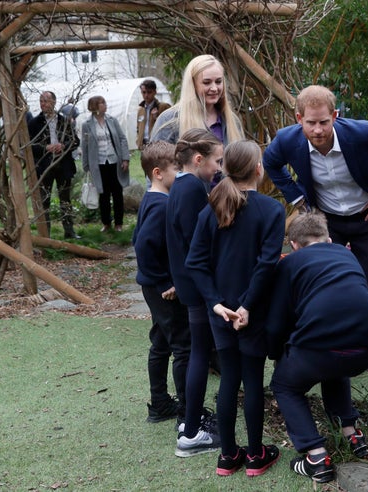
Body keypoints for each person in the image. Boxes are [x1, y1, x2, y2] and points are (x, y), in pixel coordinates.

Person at [263, 84, 368, 374]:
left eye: (323, 122)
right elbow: (271, 163)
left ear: (335, 115)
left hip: (367, 215)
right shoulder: (287, 140)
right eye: (310, 123)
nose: (318, 130)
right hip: (327, 218)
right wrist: (298, 199)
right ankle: (326, 341)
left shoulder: (363, 132)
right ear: (298, 119)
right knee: (320, 282)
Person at [185, 140, 284, 477]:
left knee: (229, 378)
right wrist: (247, 307)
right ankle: (256, 455)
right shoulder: (271, 210)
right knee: (253, 380)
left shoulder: (209, 208)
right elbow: (267, 264)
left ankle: (228, 456)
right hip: (252, 312)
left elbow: (195, 263)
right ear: (259, 169)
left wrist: (216, 304)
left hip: (221, 312)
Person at [267, 210, 368, 484]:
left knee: (285, 385)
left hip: (320, 348)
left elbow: (277, 320)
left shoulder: (291, 262)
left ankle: (315, 455)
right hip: (367, 346)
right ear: (329, 239)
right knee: (336, 361)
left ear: (293, 245)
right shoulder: (347, 254)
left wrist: (277, 353)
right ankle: (351, 433)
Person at [166, 128, 224, 458]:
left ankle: (191, 420)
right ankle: (191, 432)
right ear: (199, 159)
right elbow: (196, 246)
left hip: (189, 282)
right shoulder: (191, 190)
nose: (219, 168)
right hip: (196, 285)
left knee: (198, 353)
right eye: (216, 161)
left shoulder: (185, 186)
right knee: (198, 354)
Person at [132, 141, 190, 427]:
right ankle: (186, 411)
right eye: (176, 169)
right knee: (182, 345)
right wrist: (165, 281)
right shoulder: (163, 205)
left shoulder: (151, 199)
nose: (180, 174)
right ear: (158, 172)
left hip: (152, 285)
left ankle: (160, 402)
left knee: (161, 341)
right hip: (162, 288)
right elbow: (142, 246)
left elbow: (136, 239)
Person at [151, 54, 243, 147]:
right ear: (192, 85)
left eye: (218, 81)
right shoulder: (170, 121)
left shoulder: (232, 122)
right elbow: (156, 160)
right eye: (207, 82)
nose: (214, 88)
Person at [28, 91, 81, 239]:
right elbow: (29, 146)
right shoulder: (34, 122)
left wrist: (63, 146)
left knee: (65, 199)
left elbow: (76, 141)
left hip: (63, 164)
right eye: (41, 101)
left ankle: (69, 232)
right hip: (45, 166)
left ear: (54, 102)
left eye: (46, 101)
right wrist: (46, 148)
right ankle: (46, 235)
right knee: (44, 200)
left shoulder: (64, 121)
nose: (42, 104)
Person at [80, 95, 131, 232]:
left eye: (104, 102)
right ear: (95, 106)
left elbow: (122, 139)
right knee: (103, 194)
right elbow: (84, 146)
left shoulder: (112, 120)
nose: (105, 105)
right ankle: (106, 223)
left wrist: (125, 158)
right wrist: (86, 166)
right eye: (102, 103)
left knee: (117, 193)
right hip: (98, 164)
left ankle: (119, 223)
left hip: (114, 162)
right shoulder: (87, 125)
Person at [136, 79, 171, 151]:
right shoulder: (141, 110)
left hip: (158, 145)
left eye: (149, 92)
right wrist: (138, 142)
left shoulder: (163, 107)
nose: (146, 95)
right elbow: (138, 128)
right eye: (144, 92)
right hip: (144, 146)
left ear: (155, 92)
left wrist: (156, 118)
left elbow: (170, 126)